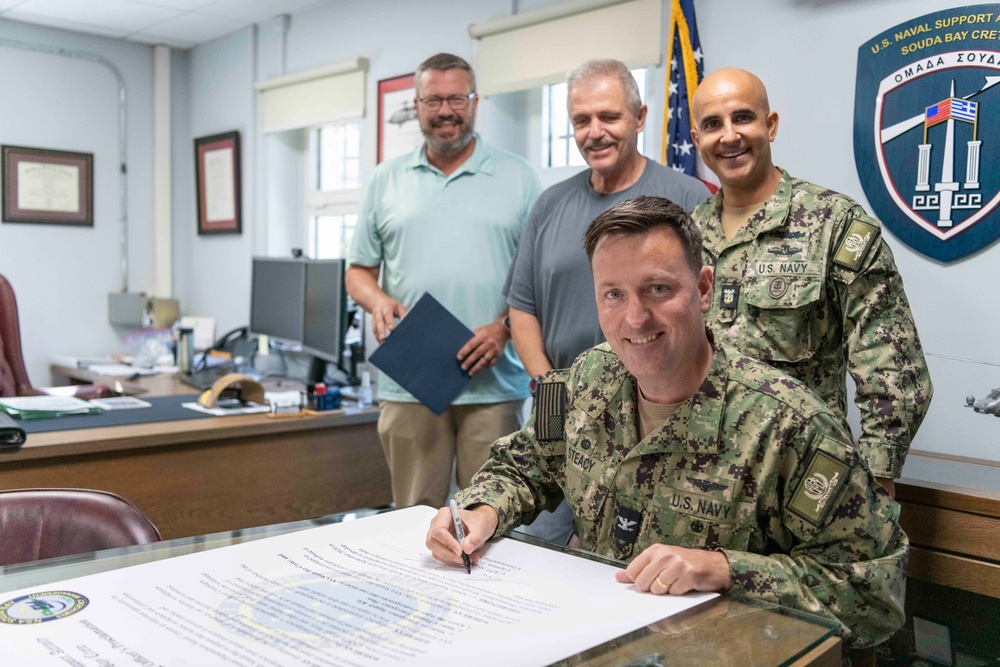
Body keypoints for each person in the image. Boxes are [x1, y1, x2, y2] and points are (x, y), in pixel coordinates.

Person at [427, 197, 907, 649]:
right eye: (613, 294)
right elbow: (525, 464)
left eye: (658, 289)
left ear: (703, 289)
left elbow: (873, 594)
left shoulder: (790, 427)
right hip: (593, 639)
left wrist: (723, 569)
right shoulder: (583, 382)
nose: (635, 318)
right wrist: (479, 511)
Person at [688, 68, 932, 495]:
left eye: (742, 117)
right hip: (701, 474)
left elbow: (888, 357)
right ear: (696, 140)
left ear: (771, 125)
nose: (729, 136)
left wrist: (877, 472)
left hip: (799, 476)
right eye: (712, 124)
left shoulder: (834, 223)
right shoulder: (687, 235)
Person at [504, 59, 709, 543]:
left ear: (639, 118)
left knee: (647, 563)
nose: (595, 132)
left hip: (658, 419)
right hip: (560, 408)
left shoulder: (687, 196)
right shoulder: (550, 205)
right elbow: (521, 305)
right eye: (581, 120)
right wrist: (547, 383)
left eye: (609, 117)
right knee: (544, 550)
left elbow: (706, 306)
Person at [346, 53, 541, 509]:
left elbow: (537, 278)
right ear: (417, 105)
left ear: (475, 102)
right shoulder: (385, 180)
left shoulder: (519, 177)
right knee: (411, 516)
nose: (445, 110)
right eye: (433, 100)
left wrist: (504, 328)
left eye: (456, 98)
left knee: (492, 518)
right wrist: (376, 301)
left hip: (494, 383)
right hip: (411, 381)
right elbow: (357, 273)